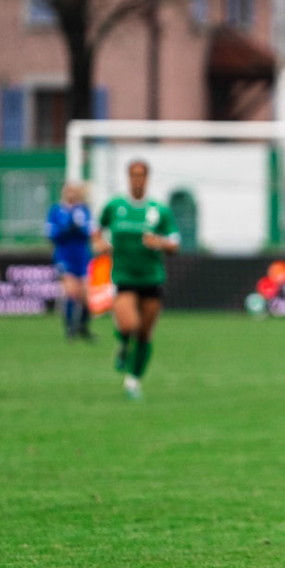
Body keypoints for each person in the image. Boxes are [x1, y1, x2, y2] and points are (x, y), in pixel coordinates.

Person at [97, 160, 178, 399]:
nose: (137, 179)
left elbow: (175, 243)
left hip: (152, 278)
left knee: (144, 334)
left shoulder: (159, 210)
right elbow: (97, 228)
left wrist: (160, 243)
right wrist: (99, 243)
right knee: (129, 325)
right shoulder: (115, 206)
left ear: (147, 178)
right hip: (123, 276)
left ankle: (133, 382)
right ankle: (122, 344)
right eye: (133, 174)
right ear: (128, 177)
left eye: (141, 175)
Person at [47, 182, 95, 341]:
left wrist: (79, 228)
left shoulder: (83, 210)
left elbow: (90, 231)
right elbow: (51, 234)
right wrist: (67, 228)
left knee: (85, 295)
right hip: (64, 257)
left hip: (82, 257)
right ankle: (69, 329)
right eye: (68, 191)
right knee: (71, 292)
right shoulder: (56, 210)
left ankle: (83, 327)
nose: (71, 194)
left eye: (74, 191)